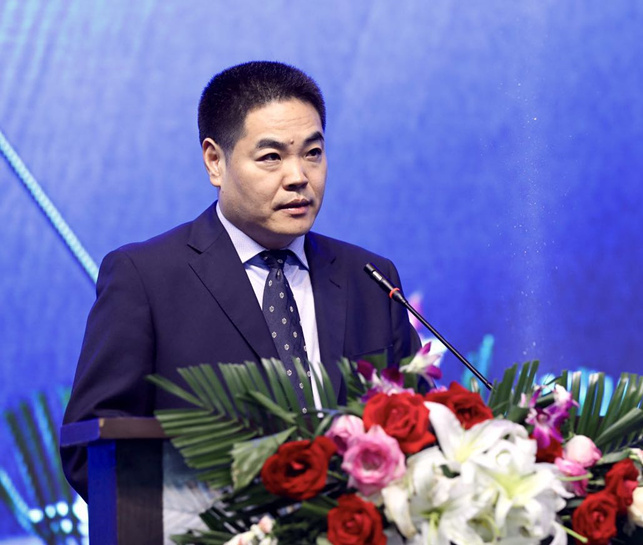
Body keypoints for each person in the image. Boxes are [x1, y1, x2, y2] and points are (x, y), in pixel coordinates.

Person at [61, 61, 421, 500]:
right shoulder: (146, 278)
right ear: (215, 161)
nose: (299, 177)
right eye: (272, 157)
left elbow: (417, 427)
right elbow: (91, 452)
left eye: (313, 152)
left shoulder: (371, 279)